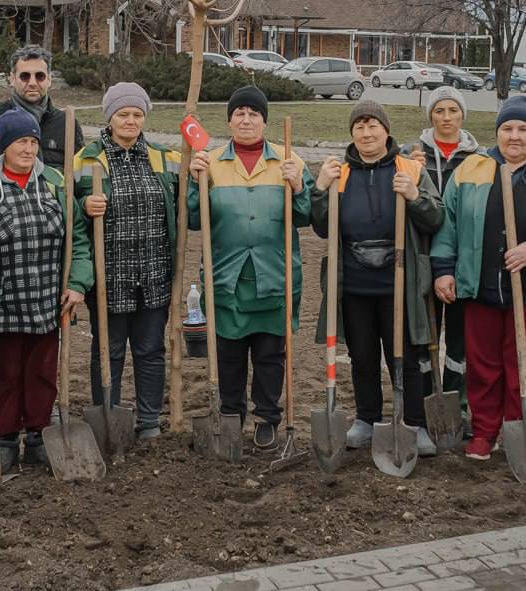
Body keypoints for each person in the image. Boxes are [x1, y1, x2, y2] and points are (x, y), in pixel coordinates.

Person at [430, 96, 526, 461]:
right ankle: (484, 430)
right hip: (479, 286)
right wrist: (443, 271)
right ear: (497, 132)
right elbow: (447, 225)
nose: (514, 137)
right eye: (507, 129)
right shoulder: (471, 170)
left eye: (523, 129)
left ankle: (518, 424)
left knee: (523, 364)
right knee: (482, 365)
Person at [0, 109, 93, 472]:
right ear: (4, 148)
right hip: (3, 302)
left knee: (43, 372)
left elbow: (77, 242)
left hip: (48, 302)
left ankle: (39, 435)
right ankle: (6, 438)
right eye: (20, 143)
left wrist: (77, 284)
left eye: (32, 142)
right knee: (6, 374)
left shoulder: (56, 183)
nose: (28, 149)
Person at [311, 101, 443, 457]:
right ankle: (367, 418)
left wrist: (414, 197)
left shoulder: (409, 169)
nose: (366, 133)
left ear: (386, 130)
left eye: (373, 126)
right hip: (353, 281)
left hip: (398, 281)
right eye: (359, 126)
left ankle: (413, 422)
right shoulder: (341, 173)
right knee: (363, 355)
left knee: (405, 356)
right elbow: (322, 226)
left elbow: (436, 219)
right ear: (352, 132)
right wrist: (321, 189)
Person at [187, 86, 313, 450]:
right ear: (229, 120)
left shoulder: (290, 160)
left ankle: (267, 417)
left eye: (253, 113)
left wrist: (298, 185)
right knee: (228, 353)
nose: (246, 119)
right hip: (227, 277)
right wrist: (195, 184)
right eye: (239, 113)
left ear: (264, 121)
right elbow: (195, 220)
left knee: (271, 353)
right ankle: (230, 414)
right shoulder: (210, 162)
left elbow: (304, 217)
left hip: (274, 275)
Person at [75, 83, 181, 441]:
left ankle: (149, 420)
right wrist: (84, 207)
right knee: (109, 350)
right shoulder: (87, 159)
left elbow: (187, 204)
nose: (131, 121)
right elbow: (68, 213)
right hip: (110, 276)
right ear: (109, 117)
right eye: (123, 114)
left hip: (154, 273)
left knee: (150, 349)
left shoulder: (163, 158)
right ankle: (109, 415)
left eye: (137, 114)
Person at [404, 85, 481, 432]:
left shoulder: (478, 158)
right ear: (430, 115)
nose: (446, 117)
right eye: (439, 111)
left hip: (463, 259)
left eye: (453, 110)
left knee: (462, 340)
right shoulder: (412, 153)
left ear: (463, 114)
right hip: (420, 254)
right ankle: (423, 406)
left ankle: (457, 405)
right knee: (422, 336)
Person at [0, 44, 84, 170]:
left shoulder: (66, 124)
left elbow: (80, 176)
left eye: (40, 76)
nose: (32, 83)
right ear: (12, 79)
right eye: (25, 76)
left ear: (49, 79)